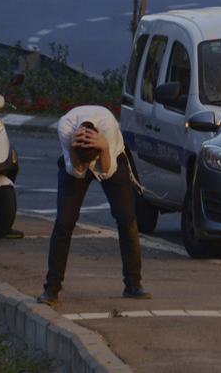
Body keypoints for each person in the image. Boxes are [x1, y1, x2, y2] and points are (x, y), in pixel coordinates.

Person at [38, 106, 147, 305]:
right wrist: (73, 149)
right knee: (64, 222)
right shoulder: (65, 128)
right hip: (77, 153)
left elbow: (106, 172)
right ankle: (51, 289)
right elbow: (76, 171)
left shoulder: (109, 126)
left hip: (110, 154)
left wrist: (104, 148)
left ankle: (133, 284)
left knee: (127, 218)